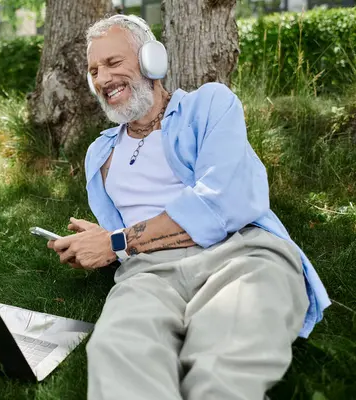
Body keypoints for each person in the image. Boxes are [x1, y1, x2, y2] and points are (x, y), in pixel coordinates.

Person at [47, 14, 331, 400]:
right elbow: (120, 241)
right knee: (118, 351)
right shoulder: (100, 153)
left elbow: (223, 201)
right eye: (94, 70)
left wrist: (115, 242)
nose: (102, 79)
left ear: (152, 60)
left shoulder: (210, 105)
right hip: (146, 274)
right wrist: (97, 247)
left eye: (114, 63)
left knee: (224, 358)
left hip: (240, 252)